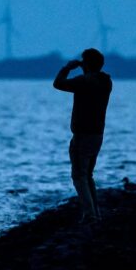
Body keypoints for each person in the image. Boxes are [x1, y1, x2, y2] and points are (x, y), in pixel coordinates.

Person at [53, 48, 112, 223]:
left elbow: (58, 83)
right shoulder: (106, 82)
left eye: (83, 61)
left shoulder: (85, 81)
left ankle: (90, 215)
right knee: (88, 175)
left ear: (86, 64)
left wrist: (68, 68)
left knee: (79, 175)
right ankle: (95, 213)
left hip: (83, 135)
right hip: (97, 135)